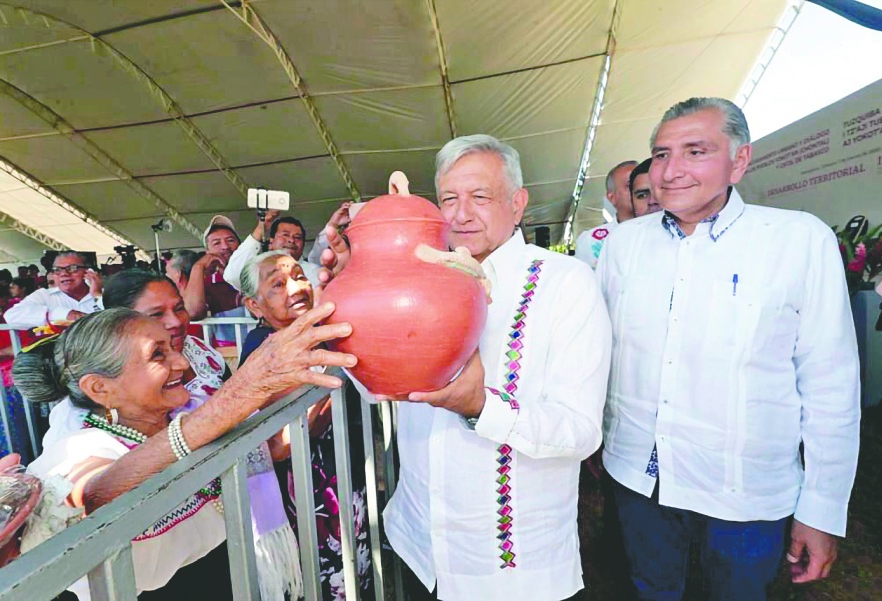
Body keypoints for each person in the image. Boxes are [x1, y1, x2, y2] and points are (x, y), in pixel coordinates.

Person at [320, 135, 611, 600]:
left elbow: (580, 430)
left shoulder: (565, 284)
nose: (460, 214)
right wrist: (354, 306)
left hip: (509, 570)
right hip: (419, 548)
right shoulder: (412, 283)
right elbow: (372, 384)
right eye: (448, 199)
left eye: (481, 196)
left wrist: (482, 408)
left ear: (518, 204)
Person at [596, 97, 861, 600]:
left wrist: (823, 509)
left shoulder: (797, 240)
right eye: (660, 154)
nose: (669, 171)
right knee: (650, 590)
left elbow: (831, 384)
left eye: (695, 151)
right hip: (639, 478)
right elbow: (605, 354)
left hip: (744, 496)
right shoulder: (625, 246)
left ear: (739, 161)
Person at [14, 303, 357, 600]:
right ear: (100, 388)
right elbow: (90, 497)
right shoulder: (79, 446)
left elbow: (269, 443)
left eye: (171, 347)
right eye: (157, 354)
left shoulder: (186, 414)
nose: (180, 362)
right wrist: (241, 390)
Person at [239, 250, 372, 600]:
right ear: (255, 305)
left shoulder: (315, 333)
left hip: (340, 481)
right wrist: (327, 390)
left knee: (354, 572)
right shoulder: (263, 349)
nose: (295, 288)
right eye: (277, 285)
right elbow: (279, 445)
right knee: (324, 581)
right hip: (308, 497)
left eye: (298, 276)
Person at [0, 282, 31, 462]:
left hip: (19, 389)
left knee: (27, 440)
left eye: (2, 307)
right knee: (6, 447)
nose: (0, 313)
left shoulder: (13, 315)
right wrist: (3, 352)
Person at [182, 216, 244, 346]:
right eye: (217, 243)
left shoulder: (257, 274)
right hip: (230, 354)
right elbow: (192, 312)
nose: (225, 247)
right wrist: (198, 267)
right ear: (208, 252)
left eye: (230, 240)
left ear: (241, 246)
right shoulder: (208, 284)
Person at [4, 252, 103, 329]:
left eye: (72, 268)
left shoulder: (106, 294)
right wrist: (65, 314)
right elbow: (12, 316)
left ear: (89, 272)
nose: (64, 274)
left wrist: (97, 295)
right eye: (57, 270)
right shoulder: (44, 295)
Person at [224, 212, 320, 291]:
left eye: (297, 237)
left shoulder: (314, 272)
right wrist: (260, 228)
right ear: (271, 242)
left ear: (303, 245)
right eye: (285, 235)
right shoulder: (259, 268)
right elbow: (232, 276)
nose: (291, 240)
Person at [574, 160, 638, 269]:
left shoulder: (667, 231)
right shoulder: (590, 241)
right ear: (611, 197)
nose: (640, 189)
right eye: (630, 185)